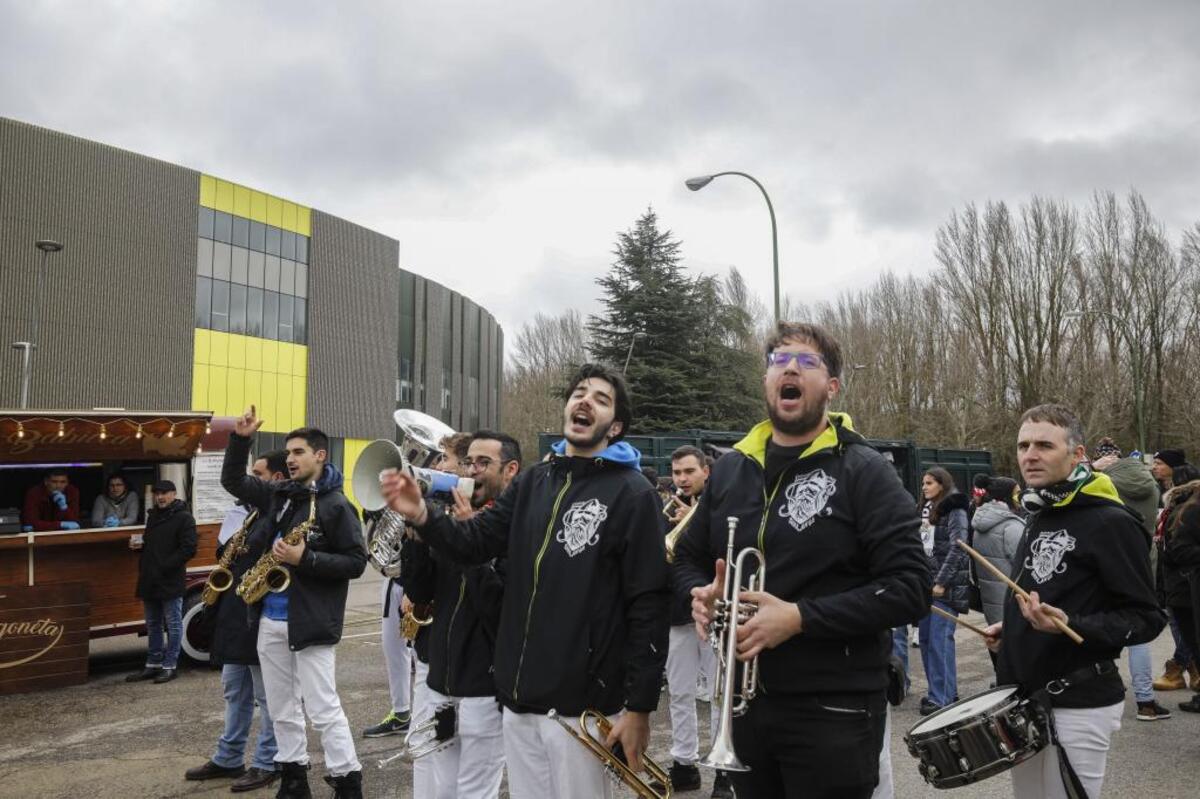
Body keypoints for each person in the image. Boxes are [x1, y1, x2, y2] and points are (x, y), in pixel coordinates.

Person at [381, 363, 669, 799]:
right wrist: (422, 514)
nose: (585, 400)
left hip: (582, 708)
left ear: (616, 427)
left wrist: (640, 707)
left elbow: (648, 601)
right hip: (518, 701)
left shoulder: (632, 493)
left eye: (601, 399)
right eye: (579, 393)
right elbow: (475, 540)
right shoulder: (535, 481)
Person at [674, 322, 930, 799]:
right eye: (779, 360)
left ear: (831, 386)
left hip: (833, 710)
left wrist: (799, 618)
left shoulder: (864, 469)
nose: (790, 367)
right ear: (767, 381)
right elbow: (686, 557)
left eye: (807, 362)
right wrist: (700, 593)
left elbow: (911, 586)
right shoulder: (732, 468)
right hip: (744, 708)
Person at [982, 404, 1164, 799]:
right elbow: (1044, 593)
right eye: (1023, 445)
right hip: (1024, 697)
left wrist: (1072, 625)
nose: (1030, 455)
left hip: (1079, 702)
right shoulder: (1038, 513)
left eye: (1044, 445)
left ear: (1078, 454)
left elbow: (1146, 618)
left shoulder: (1111, 522)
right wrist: (1011, 629)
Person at [222, 410, 368, 799]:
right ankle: (293, 779)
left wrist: (306, 560)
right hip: (270, 617)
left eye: (299, 451)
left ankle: (347, 781)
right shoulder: (280, 494)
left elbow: (356, 562)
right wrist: (239, 440)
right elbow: (233, 480)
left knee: (322, 709)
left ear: (320, 455)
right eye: (288, 452)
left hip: (311, 622)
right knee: (282, 709)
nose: (290, 458)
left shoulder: (337, 505)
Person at [404, 430, 520, 798]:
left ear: (511, 471)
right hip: (443, 680)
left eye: (483, 463)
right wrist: (418, 542)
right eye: (468, 462)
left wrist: (472, 545)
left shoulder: (518, 529)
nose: (471, 471)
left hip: (484, 688)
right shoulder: (451, 519)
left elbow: (500, 611)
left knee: (473, 792)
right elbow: (421, 594)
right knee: (442, 789)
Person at [186, 450, 288, 793]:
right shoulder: (251, 513)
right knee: (234, 689)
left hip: (258, 613)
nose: (250, 479)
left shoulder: (278, 510)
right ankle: (229, 757)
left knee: (266, 695)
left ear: (275, 478)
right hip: (236, 613)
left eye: (257, 472)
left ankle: (267, 761)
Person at [1091, 437, 1169, 721]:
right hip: (1142, 566)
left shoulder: (1101, 484)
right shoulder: (1150, 486)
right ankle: (1146, 701)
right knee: (1139, 637)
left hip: (1105, 567)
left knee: (1099, 628)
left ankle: (1105, 685)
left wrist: (1093, 468)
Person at [660, 445, 722, 795]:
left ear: (705, 472)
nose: (682, 479)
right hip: (677, 610)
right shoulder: (668, 508)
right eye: (677, 473)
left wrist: (694, 518)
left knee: (717, 695)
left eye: (689, 472)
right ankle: (684, 762)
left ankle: (721, 768)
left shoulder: (719, 504)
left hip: (713, 611)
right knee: (680, 693)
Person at [125, 480, 197, 685]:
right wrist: (139, 546)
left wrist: (165, 566)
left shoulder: (184, 518)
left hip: (170, 579)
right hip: (150, 578)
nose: (160, 497)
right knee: (153, 625)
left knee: (173, 625)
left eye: (164, 493)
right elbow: (151, 544)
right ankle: (153, 664)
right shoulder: (153, 516)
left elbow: (189, 549)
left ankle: (170, 666)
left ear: (174, 494)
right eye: (157, 493)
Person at [915, 467, 971, 716]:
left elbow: (959, 548)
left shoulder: (955, 509)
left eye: (929, 483)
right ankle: (943, 691)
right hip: (926, 584)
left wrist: (941, 581)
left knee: (940, 641)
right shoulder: (926, 510)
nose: (924, 487)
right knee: (926, 640)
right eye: (923, 483)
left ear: (942, 484)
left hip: (944, 587)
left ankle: (942, 698)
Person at [970, 477, 1024, 626]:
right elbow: (1024, 566)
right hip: (1014, 604)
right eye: (1017, 492)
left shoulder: (980, 523)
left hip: (992, 605)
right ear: (1006, 495)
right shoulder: (1011, 526)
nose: (1020, 496)